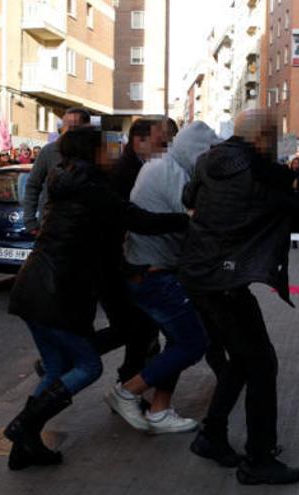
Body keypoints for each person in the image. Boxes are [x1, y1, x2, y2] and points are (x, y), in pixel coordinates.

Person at [5, 126, 188, 470]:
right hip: (59, 291)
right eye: (109, 148)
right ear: (93, 152)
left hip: (32, 286)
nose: (114, 153)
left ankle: (23, 445)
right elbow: (138, 220)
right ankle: (23, 427)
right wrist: (187, 219)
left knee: (57, 368)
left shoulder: (65, 178)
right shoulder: (92, 187)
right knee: (88, 367)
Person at [179, 109, 299, 485]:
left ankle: (212, 435)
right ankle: (259, 458)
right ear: (264, 138)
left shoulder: (207, 160)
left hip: (199, 275)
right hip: (224, 283)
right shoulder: (260, 172)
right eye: (275, 137)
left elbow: (188, 197)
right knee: (262, 365)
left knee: (240, 360)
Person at [106, 122, 221, 435]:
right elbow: (197, 223)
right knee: (193, 342)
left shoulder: (171, 167)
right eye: (209, 153)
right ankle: (127, 391)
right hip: (152, 274)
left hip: (156, 271)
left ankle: (160, 410)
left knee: (178, 340)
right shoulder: (168, 172)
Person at [22, 107, 92, 234]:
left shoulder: (96, 154)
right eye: (65, 126)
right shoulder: (49, 151)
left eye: (73, 126)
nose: (67, 130)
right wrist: (30, 221)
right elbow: (33, 185)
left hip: (86, 228)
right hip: (51, 225)